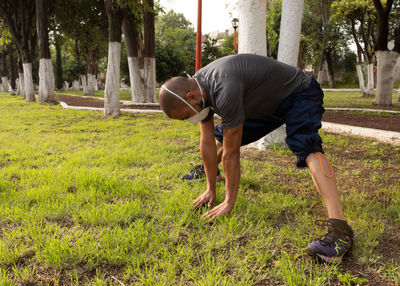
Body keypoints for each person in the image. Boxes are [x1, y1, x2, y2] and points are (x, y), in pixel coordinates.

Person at [158, 54, 354, 264]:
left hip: (300, 93)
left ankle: (341, 232)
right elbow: (206, 141)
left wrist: (229, 201)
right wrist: (210, 187)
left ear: (191, 97)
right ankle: (210, 172)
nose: (189, 119)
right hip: (268, 103)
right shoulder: (199, 87)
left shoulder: (223, 88)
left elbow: (231, 155)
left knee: (307, 148)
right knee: (219, 138)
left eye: (186, 116)